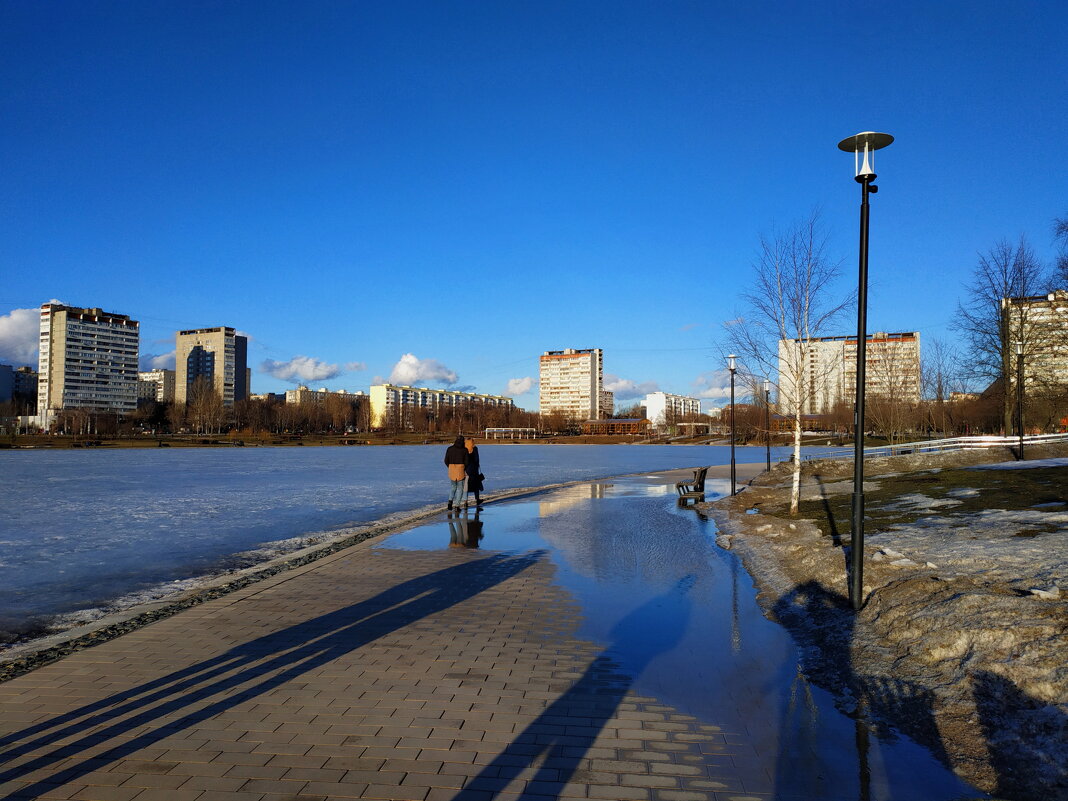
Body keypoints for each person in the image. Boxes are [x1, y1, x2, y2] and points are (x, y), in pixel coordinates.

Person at [444, 435, 468, 512]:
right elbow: (467, 462)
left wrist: (450, 467)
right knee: (460, 488)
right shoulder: (464, 450)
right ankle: (457, 505)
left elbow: (446, 460)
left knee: (453, 487)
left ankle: (450, 502)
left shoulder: (450, 449)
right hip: (460, 469)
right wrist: (463, 468)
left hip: (452, 469)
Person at [465, 437, 484, 510]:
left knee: (466, 486)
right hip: (474, 469)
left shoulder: (464, 449)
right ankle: (477, 499)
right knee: (476, 485)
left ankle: (465, 501)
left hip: (466, 469)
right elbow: (477, 459)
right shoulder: (475, 449)